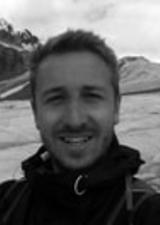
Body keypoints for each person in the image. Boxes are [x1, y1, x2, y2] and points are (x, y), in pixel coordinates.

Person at [0, 29, 160, 225]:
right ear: (36, 113)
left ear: (116, 108)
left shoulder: (147, 212)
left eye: (91, 97)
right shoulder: (7, 203)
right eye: (56, 99)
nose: (74, 120)